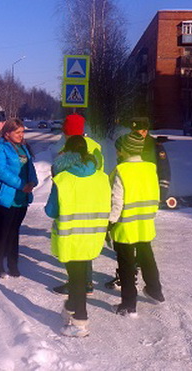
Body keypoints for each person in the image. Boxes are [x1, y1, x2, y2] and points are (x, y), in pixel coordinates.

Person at [45, 135, 111, 337]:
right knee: (79, 276)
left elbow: (51, 210)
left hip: (71, 237)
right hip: (93, 236)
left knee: (76, 279)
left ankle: (80, 322)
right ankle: (71, 307)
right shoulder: (102, 177)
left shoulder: (63, 179)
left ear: (68, 153)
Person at [105, 117, 171, 290]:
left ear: (146, 130)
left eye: (141, 130)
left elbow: (163, 171)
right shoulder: (129, 143)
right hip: (134, 201)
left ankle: (132, 287)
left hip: (142, 203)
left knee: (134, 248)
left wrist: (160, 195)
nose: (138, 133)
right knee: (136, 248)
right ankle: (129, 279)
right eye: (135, 130)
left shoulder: (153, 146)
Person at [109, 132, 165, 317]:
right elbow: (155, 195)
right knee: (147, 256)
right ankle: (155, 291)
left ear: (124, 150)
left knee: (126, 264)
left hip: (125, 226)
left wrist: (110, 222)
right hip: (145, 222)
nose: (117, 153)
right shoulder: (150, 168)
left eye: (118, 150)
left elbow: (117, 201)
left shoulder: (122, 170)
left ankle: (128, 304)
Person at [51, 112, 105, 296]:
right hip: (94, 200)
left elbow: (63, 176)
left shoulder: (70, 150)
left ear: (68, 133)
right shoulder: (96, 147)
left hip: (74, 201)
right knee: (86, 243)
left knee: (74, 245)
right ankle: (87, 282)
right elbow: (99, 173)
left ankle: (77, 284)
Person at [0, 118, 38, 278]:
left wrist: (33, 181)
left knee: (14, 232)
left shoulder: (23, 148)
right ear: (7, 133)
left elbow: (30, 167)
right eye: (18, 132)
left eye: (22, 132)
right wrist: (22, 184)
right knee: (1, 233)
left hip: (21, 197)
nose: (21, 135)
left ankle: (13, 264)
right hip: (5, 197)